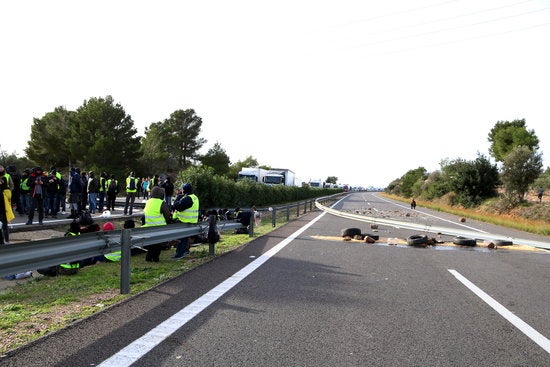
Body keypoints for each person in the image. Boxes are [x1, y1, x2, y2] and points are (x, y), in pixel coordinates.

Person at [141, 186, 172, 262]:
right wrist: (168, 222)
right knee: (158, 245)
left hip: (148, 227)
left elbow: (144, 215)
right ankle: (155, 258)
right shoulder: (162, 203)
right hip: (159, 228)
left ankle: (148, 257)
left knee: (151, 244)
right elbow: (167, 215)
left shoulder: (148, 202)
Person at [171, 183, 200, 259]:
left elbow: (178, 206)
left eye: (182, 189)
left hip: (185, 221)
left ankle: (179, 254)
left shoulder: (187, 199)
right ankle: (185, 251)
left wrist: (177, 199)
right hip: (192, 220)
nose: (181, 190)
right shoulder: (194, 197)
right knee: (185, 238)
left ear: (185, 190)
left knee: (181, 238)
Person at [0, 165, 15, 244]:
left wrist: (8, 192)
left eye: (1, 168)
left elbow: (11, 185)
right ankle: (3, 241)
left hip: (5, 200)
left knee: (4, 222)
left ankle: (6, 240)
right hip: (3, 200)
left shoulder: (7, 176)